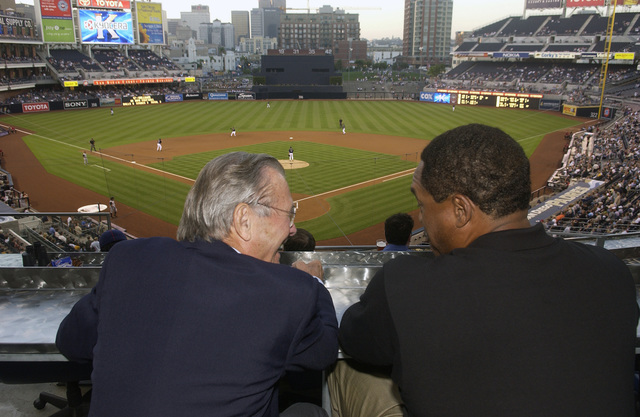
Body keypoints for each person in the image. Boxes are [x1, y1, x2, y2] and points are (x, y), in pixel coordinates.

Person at [328, 124, 638, 417]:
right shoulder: (612, 272)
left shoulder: (406, 284)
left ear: (460, 210)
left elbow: (354, 340)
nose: (422, 218)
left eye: (422, 206)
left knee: (344, 371)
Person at [56, 152, 338, 417]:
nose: (292, 228)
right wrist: (312, 280)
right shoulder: (289, 292)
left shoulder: (128, 258)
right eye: (289, 213)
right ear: (244, 220)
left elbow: (71, 341)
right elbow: (323, 352)